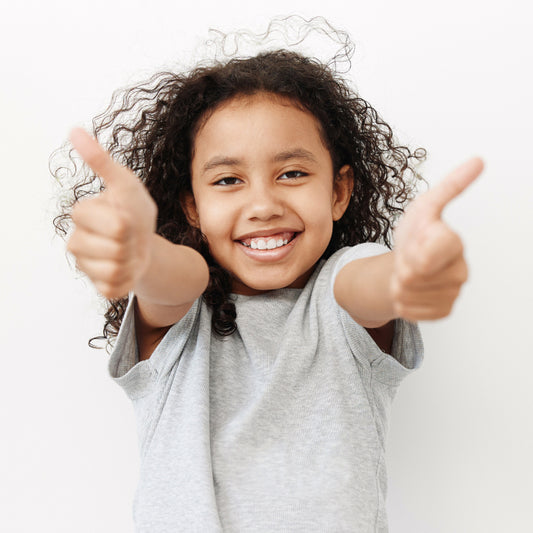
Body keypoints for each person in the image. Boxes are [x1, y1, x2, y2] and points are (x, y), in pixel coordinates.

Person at [54, 19, 483, 533]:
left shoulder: (340, 294)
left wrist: (409, 273)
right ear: (192, 208)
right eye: (228, 180)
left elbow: (371, 283)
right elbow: (175, 277)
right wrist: (143, 257)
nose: (262, 204)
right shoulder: (182, 309)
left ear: (339, 191)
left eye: (293, 173)